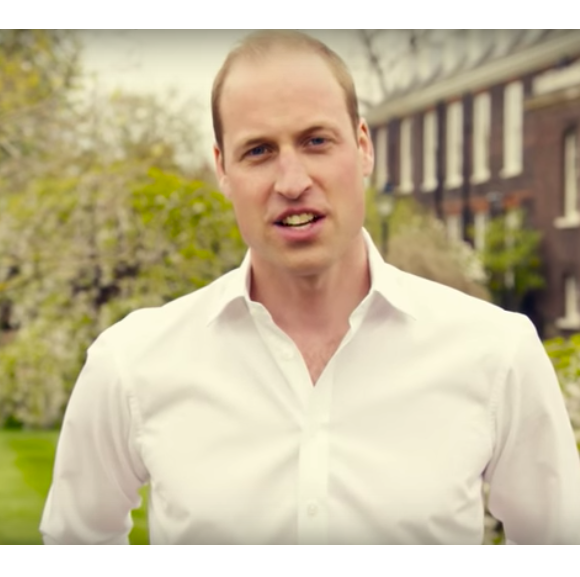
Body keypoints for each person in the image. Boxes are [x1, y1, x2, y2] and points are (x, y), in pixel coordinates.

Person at [40, 29, 580, 546]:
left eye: (316, 141)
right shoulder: (132, 362)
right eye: (259, 151)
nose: (292, 181)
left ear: (363, 147)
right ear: (222, 169)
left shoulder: (496, 351)